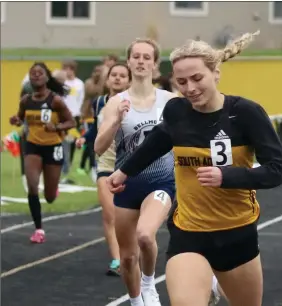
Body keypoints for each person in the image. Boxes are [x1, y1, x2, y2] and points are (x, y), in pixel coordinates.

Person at [106, 31, 282, 306]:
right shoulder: (177, 112)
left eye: (197, 78)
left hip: (237, 234)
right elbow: (157, 143)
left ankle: (214, 284)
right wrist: (124, 171)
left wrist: (227, 176)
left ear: (216, 73)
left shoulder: (245, 114)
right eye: (181, 82)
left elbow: (276, 170)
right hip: (188, 233)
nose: (189, 88)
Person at [94, 38, 178, 306]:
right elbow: (98, 147)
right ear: (128, 61)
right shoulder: (115, 102)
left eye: (147, 57)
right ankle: (136, 301)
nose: (141, 61)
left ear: (155, 64)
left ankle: (149, 283)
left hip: (162, 182)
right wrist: (117, 120)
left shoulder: (171, 101)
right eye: (136, 57)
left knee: (145, 234)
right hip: (126, 185)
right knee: (128, 257)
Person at [9, 62, 75, 243]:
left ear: (47, 77)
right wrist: (15, 119)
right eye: (33, 73)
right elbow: (20, 118)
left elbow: (71, 122)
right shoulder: (26, 100)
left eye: (40, 73)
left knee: (50, 197)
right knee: (32, 186)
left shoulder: (55, 101)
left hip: (53, 147)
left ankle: (54, 190)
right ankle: (38, 229)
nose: (36, 76)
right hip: (32, 145)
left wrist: (57, 127)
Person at [76, 63, 131, 275]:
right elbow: (96, 128)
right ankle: (117, 261)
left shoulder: (135, 103)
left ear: (129, 80)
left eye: (122, 76)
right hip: (106, 164)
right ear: (107, 80)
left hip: (129, 164)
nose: (117, 79)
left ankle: (131, 254)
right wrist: (84, 138)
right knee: (109, 215)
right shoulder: (99, 102)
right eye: (113, 75)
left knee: (128, 216)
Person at [61, 60, 85, 182]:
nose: (67, 71)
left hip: (75, 115)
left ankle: (68, 163)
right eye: (65, 68)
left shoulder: (79, 83)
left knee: (73, 142)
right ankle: (64, 166)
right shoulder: (62, 83)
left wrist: (79, 113)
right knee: (63, 141)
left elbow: (81, 99)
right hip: (64, 115)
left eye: (69, 69)